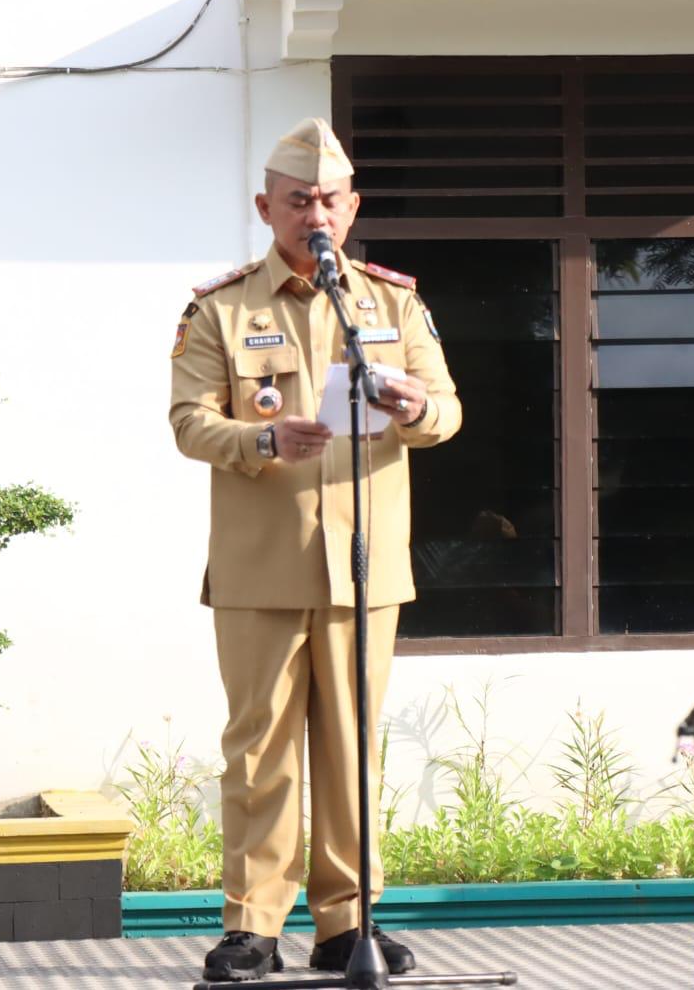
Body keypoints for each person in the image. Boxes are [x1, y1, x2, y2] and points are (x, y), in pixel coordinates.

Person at [169, 117, 461, 982]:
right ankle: (252, 926)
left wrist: (411, 409)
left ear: (354, 203)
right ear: (267, 208)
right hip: (261, 569)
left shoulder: (390, 302)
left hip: (365, 567)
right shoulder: (221, 308)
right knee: (259, 750)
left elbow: (448, 412)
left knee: (351, 749)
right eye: (299, 200)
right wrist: (261, 444)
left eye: (331, 198)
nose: (317, 214)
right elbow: (189, 422)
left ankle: (347, 924)